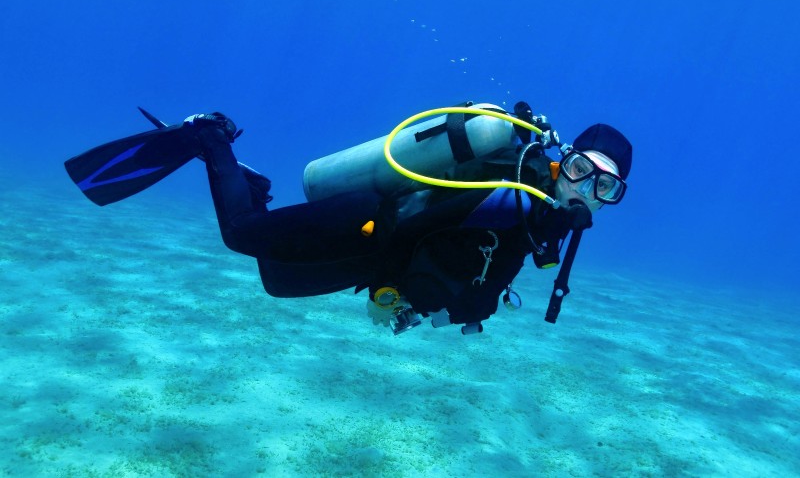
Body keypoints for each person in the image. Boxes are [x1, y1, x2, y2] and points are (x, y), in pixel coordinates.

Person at [64, 102, 632, 335]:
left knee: (276, 281)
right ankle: (210, 137)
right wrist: (391, 288)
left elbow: (475, 270)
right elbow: (426, 224)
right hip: (367, 222)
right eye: (581, 169)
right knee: (241, 237)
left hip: (374, 258)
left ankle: (250, 183)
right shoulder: (519, 196)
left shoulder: (543, 221)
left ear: (611, 198)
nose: (585, 188)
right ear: (562, 160)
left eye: (604, 185)